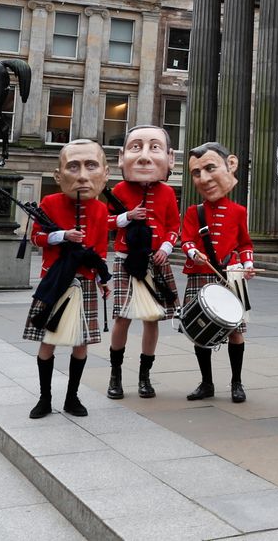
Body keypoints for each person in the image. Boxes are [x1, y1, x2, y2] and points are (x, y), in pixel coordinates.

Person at [25, 139, 111, 419]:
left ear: (104, 173)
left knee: (81, 343)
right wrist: (62, 236)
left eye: (90, 166)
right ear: (59, 175)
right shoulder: (50, 202)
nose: (83, 176)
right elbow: (36, 238)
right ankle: (45, 398)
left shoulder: (100, 209)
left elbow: (98, 250)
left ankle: (72, 397)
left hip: (85, 282)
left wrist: (102, 279)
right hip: (55, 280)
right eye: (74, 167)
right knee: (47, 340)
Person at [106, 125, 180, 400]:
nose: (145, 157)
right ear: (122, 156)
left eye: (155, 148)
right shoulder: (120, 189)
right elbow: (105, 221)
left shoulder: (168, 193)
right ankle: (115, 376)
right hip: (127, 258)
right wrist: (127, 217)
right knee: (123, 317)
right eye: (136, 148)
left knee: (152, 319)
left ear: (169, 158)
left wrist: (166, 246)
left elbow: (174, 225)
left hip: (156, 260)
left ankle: (144, 377)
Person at [180, 142, 255, 403]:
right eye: (197, 173)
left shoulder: (239, 211)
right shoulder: (194, 211)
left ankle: (237, 383)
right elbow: (186, 239)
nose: (203, 179)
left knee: (236, 331)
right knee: (200, 330)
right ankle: (206, 383)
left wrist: (247, 265)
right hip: (200, 273)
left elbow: (245, 244)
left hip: (231, 276)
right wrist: (193, 252)